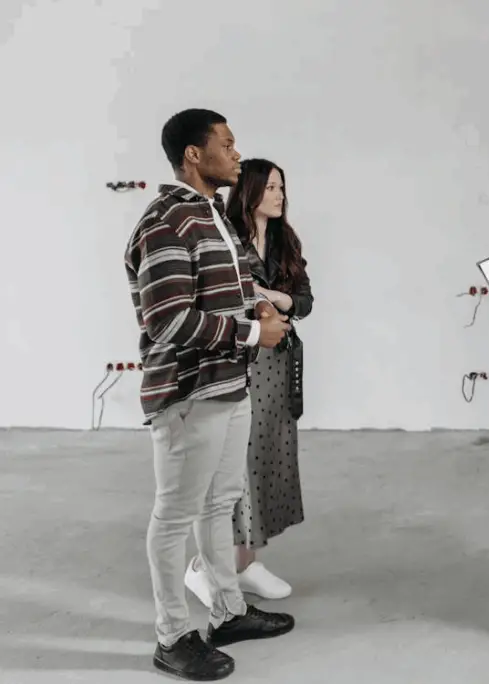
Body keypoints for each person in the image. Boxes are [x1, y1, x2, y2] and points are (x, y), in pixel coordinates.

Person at [124, 108, 296, 681]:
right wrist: (253, 332)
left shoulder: (212, 215)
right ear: (194, 155)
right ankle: (172, 636)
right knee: (174, 516)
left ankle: (226, 611)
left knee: (219, 506)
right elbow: (169, 319)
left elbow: (236, 284)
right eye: (226, 142)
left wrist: (261, 306)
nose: (237, 152)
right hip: (187, 393)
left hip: (229, 385)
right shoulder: (166, 222)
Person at [184, 158, 313, 604]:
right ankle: (205, 567)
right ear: (253, 190)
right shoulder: (229, 236)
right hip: (240, 361)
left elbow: (305, 300)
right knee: (233, 469)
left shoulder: (284, 240)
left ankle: (246, 561)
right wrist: (268, 304)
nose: (280, 194)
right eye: (272, 186)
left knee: (268, 461)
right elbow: (223, 296)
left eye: (283, 186)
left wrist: (278, 298)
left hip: (278, 366)